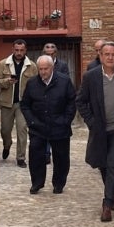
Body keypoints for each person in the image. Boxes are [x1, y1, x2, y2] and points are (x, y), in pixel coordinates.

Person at [76, 41, 114, 221]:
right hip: (100, 129)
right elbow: (80, 101)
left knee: (112, 163)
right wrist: (91, 122)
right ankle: (113, 194)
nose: (110, 57)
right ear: (100, 56)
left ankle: (107, 203)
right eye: (106, 54)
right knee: (103, 164)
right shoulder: (91, 77)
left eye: (113, 54)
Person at [20, 55, 76, 195]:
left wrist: (66, 120)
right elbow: (25, 105)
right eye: (40, 69)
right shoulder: (32, 83)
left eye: (46, 69)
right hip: (38, 126)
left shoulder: (64, 81)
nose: (43, 72)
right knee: (36, 156)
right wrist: (32, 121)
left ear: (52, 68)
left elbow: (72, 102)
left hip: (59, 126)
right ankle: (37, 183)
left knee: (61, 157)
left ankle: (58, 183)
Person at [0, 39, 37, 168]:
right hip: (7, 103)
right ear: (12, 49)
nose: (19, 52)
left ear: (25, 50)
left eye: (21, 50)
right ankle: (7, 145)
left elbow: (36, 85)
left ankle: (20, 157)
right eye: (17, 50)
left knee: (22, 129)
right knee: (5, 130)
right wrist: (6, 81)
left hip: (23, 104)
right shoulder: (3, 64)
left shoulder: (32, 66)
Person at [42, 42, 69, 165]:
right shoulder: (40, 64)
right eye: (48, 53)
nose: (50, 55)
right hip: (44, 101)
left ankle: (57, 154)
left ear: (56, 53)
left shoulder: (62, 65)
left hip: (59, 102)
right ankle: (46, 154)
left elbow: (67, 82)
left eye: (52, 53)